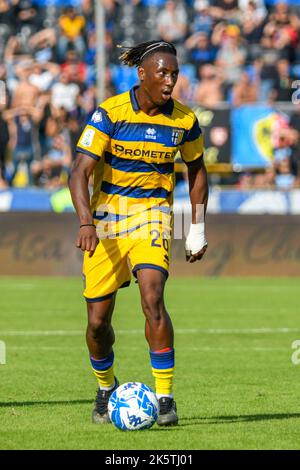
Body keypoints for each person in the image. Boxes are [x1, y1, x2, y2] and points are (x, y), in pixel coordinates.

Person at [68, 40, 208, 427]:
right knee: (98, 322)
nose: (170, 81)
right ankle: (105, 387)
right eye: (163, 73)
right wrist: (85, 222)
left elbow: (197, 170)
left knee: (153, 298)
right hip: (109, 218)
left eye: (175, 74)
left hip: (153, 216)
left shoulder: (184, 120)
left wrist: (196, 226)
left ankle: (165, 398)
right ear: (142, 74)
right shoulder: (110, 113)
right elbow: (78, 171)